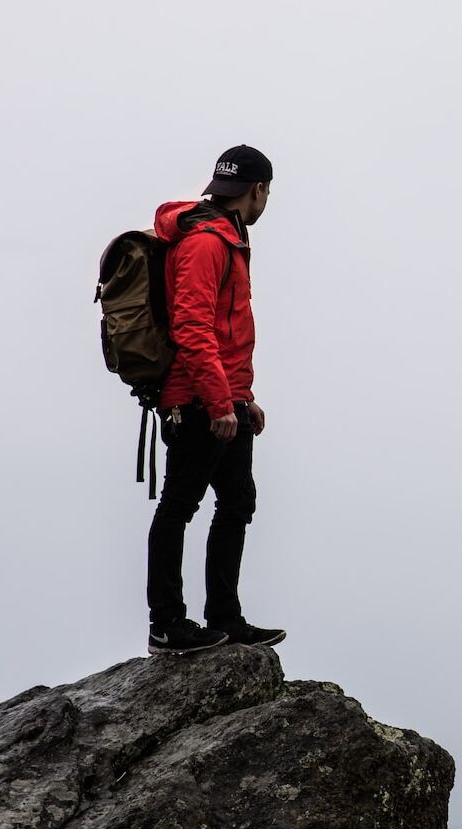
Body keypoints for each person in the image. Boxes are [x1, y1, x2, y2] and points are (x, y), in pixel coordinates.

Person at [144, 144, 286, 655]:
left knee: (237, 504)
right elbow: (191, 327)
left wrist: (243, 398)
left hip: (225, 397)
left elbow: (225, 332)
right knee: (179, 506)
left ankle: (224, 617)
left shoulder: (229, 237)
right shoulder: (206, 242)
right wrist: (219, 401)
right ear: (259, 190)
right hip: (197, 399)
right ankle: (167, 624)